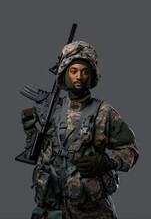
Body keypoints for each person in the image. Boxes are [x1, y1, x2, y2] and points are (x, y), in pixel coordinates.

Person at [21, 41, 139, 219]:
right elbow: (43, 152)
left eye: (85, 72)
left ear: (92, 77)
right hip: (52, 207)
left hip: (90, 210)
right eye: (73, 71)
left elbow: (130, 151)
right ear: (65, 74)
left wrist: (106, 162)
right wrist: (30, 129)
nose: (79, 77)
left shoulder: (104, 112)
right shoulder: (55, 110)